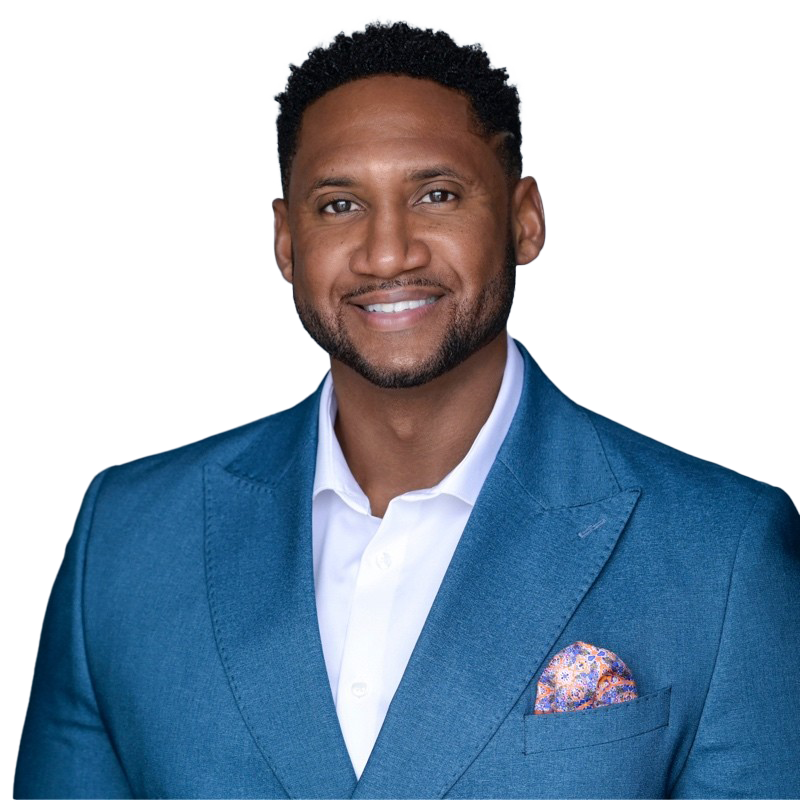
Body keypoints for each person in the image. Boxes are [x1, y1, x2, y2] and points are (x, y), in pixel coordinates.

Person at [14, 19, 800, 800]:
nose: (388, 252)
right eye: (339, 205)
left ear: (524, 219)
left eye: (437, 195)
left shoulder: (724, 550)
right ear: (286, 242)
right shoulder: (125, 540)